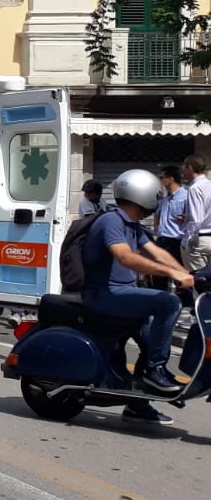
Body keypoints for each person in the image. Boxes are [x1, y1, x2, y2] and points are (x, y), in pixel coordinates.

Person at [81, 169, 195, 406]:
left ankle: (138, 406)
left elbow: (157, 252)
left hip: (120, 294)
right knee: (169, 302)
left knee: (151, 339)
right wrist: (170, 273)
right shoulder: (111, 220)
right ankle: (155, 371)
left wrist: (184, 272)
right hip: (104, 294)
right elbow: (125, 257)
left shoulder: (132, 225)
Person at [152, 164, 188, 293]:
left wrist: (186, 219)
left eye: (162, 177)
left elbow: (194, 218)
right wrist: (156, 229)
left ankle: (186, 304)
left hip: (177, 241)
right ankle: (161, 300)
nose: (160, 180)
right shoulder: (165, 199)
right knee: (158, 274)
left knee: (181, 275)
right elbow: (157, 213)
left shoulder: (186, 197)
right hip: (162, 240)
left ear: (171, 179)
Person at [178, 156, 211, 273]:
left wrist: (187, 240)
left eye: (184, 166)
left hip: (199, 240)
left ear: (190, 168)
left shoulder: (195, 188)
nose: (182, 170)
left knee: (198, 280)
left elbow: (197, 220)